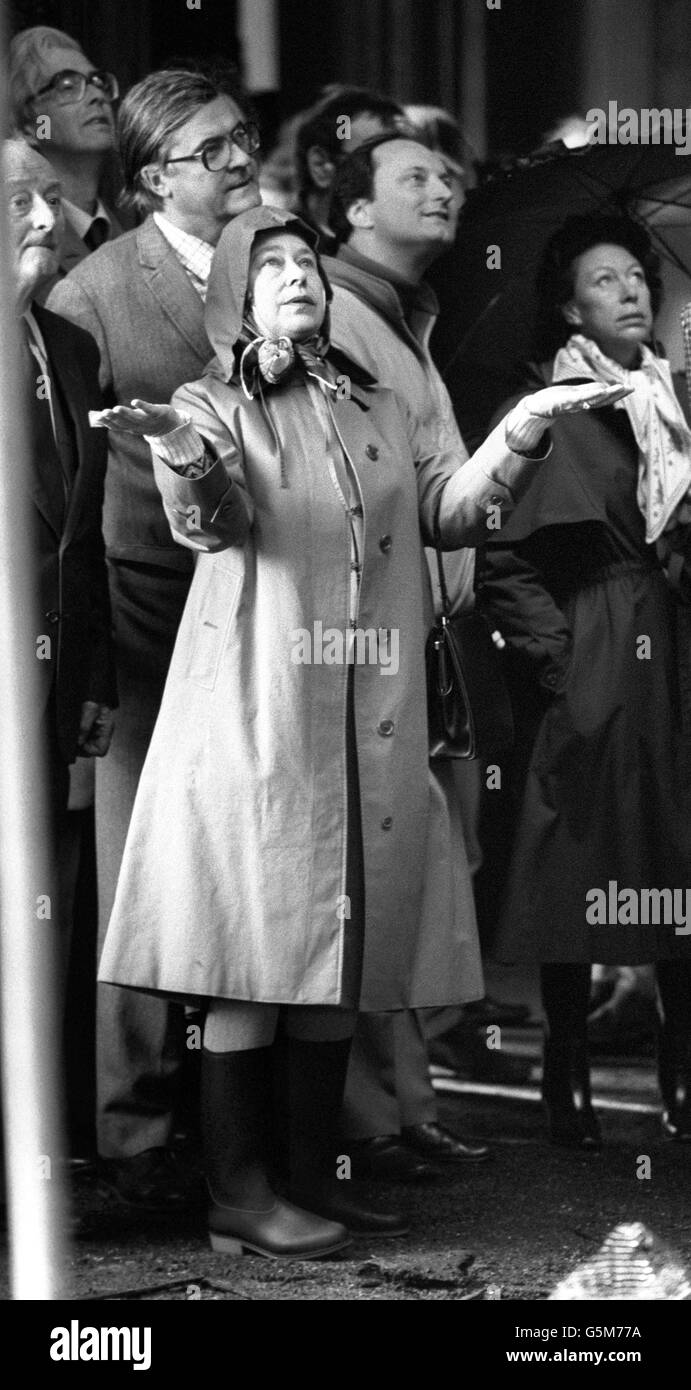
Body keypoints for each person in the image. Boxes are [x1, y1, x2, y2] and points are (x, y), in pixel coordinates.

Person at [93, 205, 616, 1257]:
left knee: (342, 950)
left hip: (366, 719)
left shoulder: (371, 397)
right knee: (256, 954)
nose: (297, 277)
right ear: (236, 294)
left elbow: (451, 510)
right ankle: (239, 1195)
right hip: (258, 715)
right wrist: (186, 452)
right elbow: (214, 523)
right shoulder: (209, 400)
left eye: (306, 265)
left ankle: (300, 1177)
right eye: (272, 265)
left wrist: (519, 431)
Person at [47, 66, 262, 1211]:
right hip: (150, 607)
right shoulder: (93, 291)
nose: (238, 161)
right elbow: (73, 496)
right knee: (145, 869)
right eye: (210, 150)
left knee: (255, 859)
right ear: (147, 180)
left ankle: (252, 1125)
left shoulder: (278, 256)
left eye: (242, 140)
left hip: (268, 602)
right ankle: (134, 1134)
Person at [476, 214, 691, 1147]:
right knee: (574, 857)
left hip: (674, 641)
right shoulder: (548, 407)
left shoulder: (671, 402)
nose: (631, 290)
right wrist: (558, 657)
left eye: (637, 276)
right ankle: (564, 1074)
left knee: (677, 854)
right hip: (596, 646)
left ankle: (677, 1070)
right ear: (568, 305)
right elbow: (497, 554)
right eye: (605, 281)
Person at [325, 132, 490, 1178]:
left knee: (417, 873)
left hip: (425, 642)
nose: (444, 189)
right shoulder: (339, 310)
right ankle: (360, 1122)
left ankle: (402, 1103)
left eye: (448, 177)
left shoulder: (404, 314)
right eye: (414, 179)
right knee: (367, 875)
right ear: (350, 209)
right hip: (365, 643)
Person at [3, 136, 116, 963]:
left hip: (54, 694)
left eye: (48, 197)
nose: (46, 218)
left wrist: (94, 675)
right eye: (18, 202)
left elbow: (86, 534)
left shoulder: (69, 347)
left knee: (42, 936)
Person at [9, 26, 122, 280]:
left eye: (98, 82)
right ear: (31, 128)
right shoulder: (20, 247)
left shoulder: (135, 235)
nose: (96, 96)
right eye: (68, 85)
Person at [294, 86, 405, 254]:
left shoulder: (403, 244)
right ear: (321, 166)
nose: (394, 174)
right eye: (373, 159)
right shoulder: (287, 248)